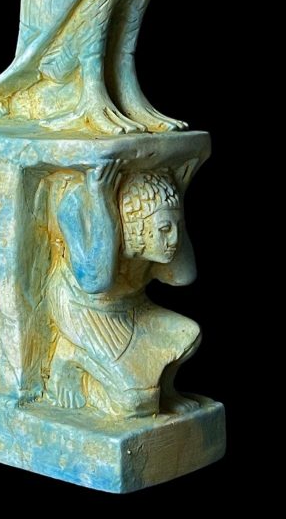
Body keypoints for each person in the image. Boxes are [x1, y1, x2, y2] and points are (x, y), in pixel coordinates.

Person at [46, 161, 200, 416]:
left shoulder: (158, 240)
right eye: (164, 229)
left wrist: (176, 199)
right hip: (83, 310)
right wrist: (102, 202)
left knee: (188, 334)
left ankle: (163, 389)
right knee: (134, 403)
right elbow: (94, 281)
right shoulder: (76, 205)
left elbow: (184, 276)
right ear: (135, 225)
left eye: (176, 228)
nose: (173, 239)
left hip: (133, 308)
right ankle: (71, 354)